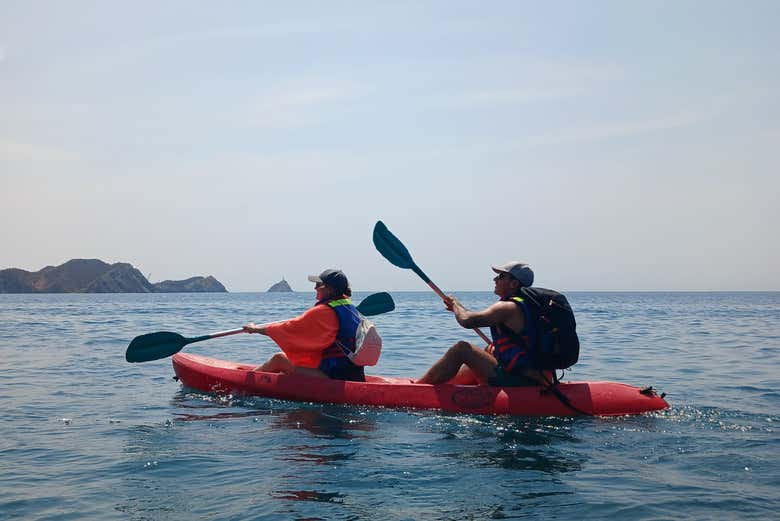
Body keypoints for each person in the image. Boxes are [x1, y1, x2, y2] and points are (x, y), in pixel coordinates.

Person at [416, 261, 552, 386]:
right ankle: (447, 386)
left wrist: (455, 304)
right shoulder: (529, 305)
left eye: (501, 276)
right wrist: (457, 308)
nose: (495, 279)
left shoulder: (508, 307)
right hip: (541, 377)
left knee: (462, 349)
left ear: (514, 284)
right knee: (489, 349)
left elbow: (467, 320)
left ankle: (417, 388)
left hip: (523, 380)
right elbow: (471, 317)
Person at [243, 269, 365, 381]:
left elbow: (288, 329)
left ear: (329, 289)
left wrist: (255, 329)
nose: (314, 288)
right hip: (355, 374)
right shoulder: (351, 309)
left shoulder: (322, 311)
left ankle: (244, 382)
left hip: (333, 377)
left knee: (279, 359)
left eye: (318, 285)